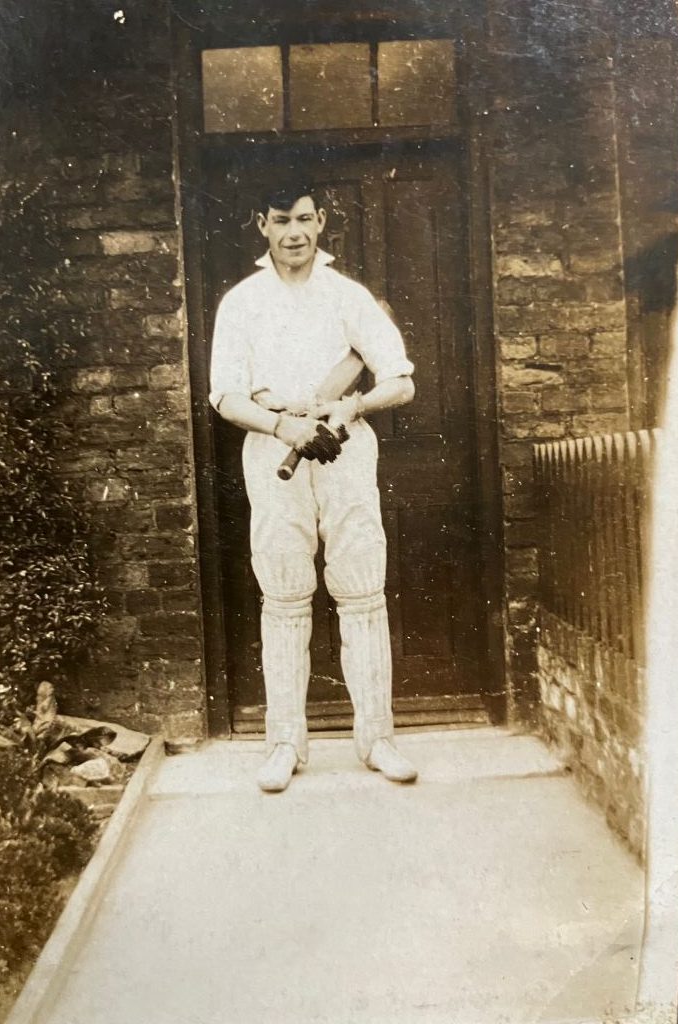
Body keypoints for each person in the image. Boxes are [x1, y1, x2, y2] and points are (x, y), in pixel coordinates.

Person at [209, 182, 418, 792]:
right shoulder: (242, 302)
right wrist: (284, 425)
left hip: (344, 450)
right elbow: (225, 395)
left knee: (360, 590)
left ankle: (377, 738)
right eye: (282, 220)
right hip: (274, 448)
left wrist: (347, 410)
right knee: (284, 593)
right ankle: (284, 743)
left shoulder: (347, 296)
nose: (294, 232)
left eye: (305, 218)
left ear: (321, 221)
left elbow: (400, 380)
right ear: (262, 224)